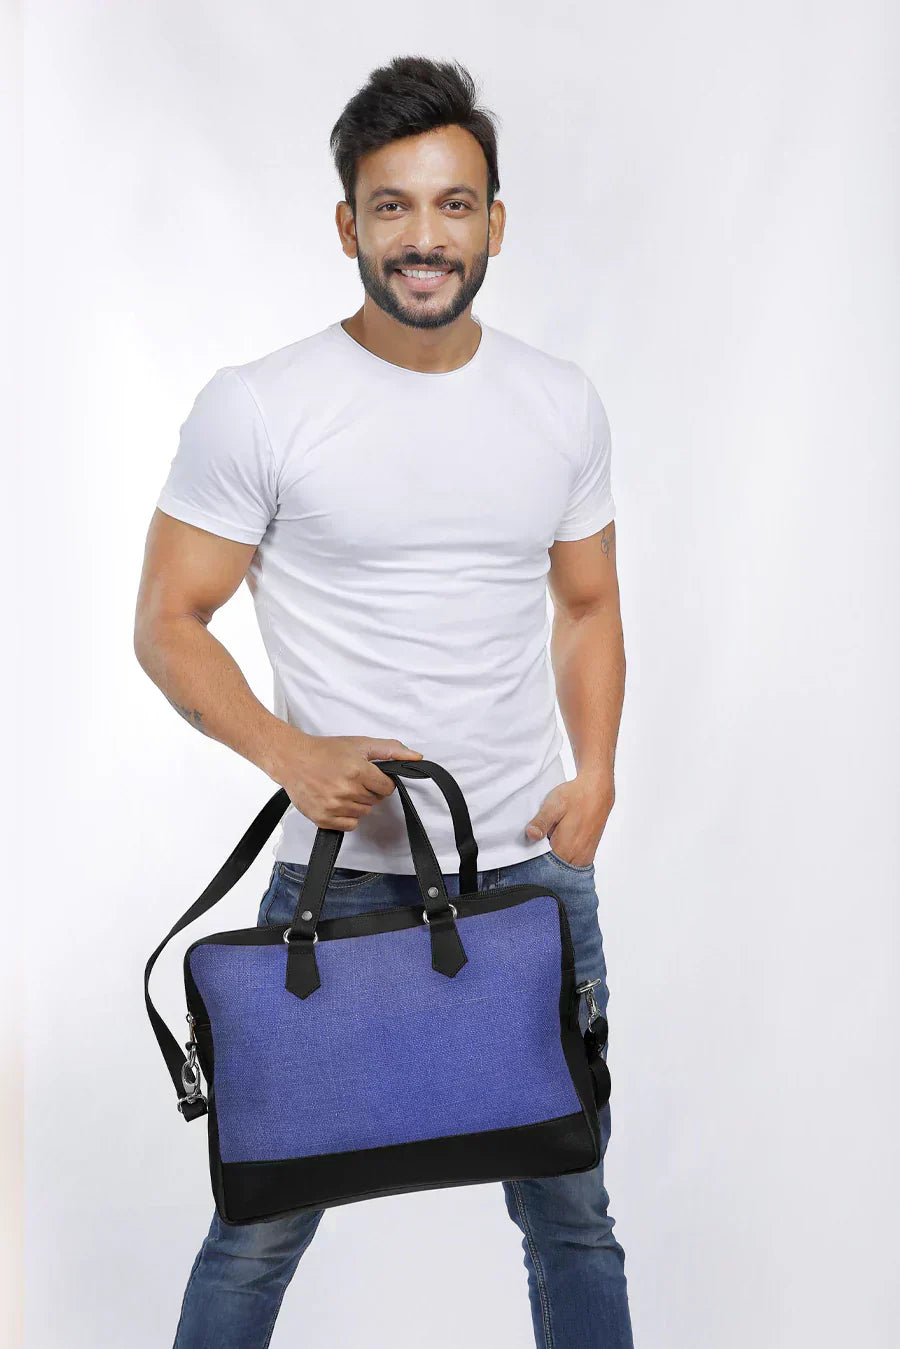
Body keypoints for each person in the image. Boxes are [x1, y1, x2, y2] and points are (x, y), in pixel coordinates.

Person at [134, 53, 633, 1349]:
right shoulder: (261, 407)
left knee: (572, 1214)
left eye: (454, 204)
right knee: (258, 1222)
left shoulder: (560, 402)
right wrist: (286, 752)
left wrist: (598, 769)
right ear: (347, 224)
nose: (425, 237)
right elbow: (169, 621)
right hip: (338, 882)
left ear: (495, 224)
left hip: (531, 876)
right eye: (393, 206)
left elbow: (587, 605)